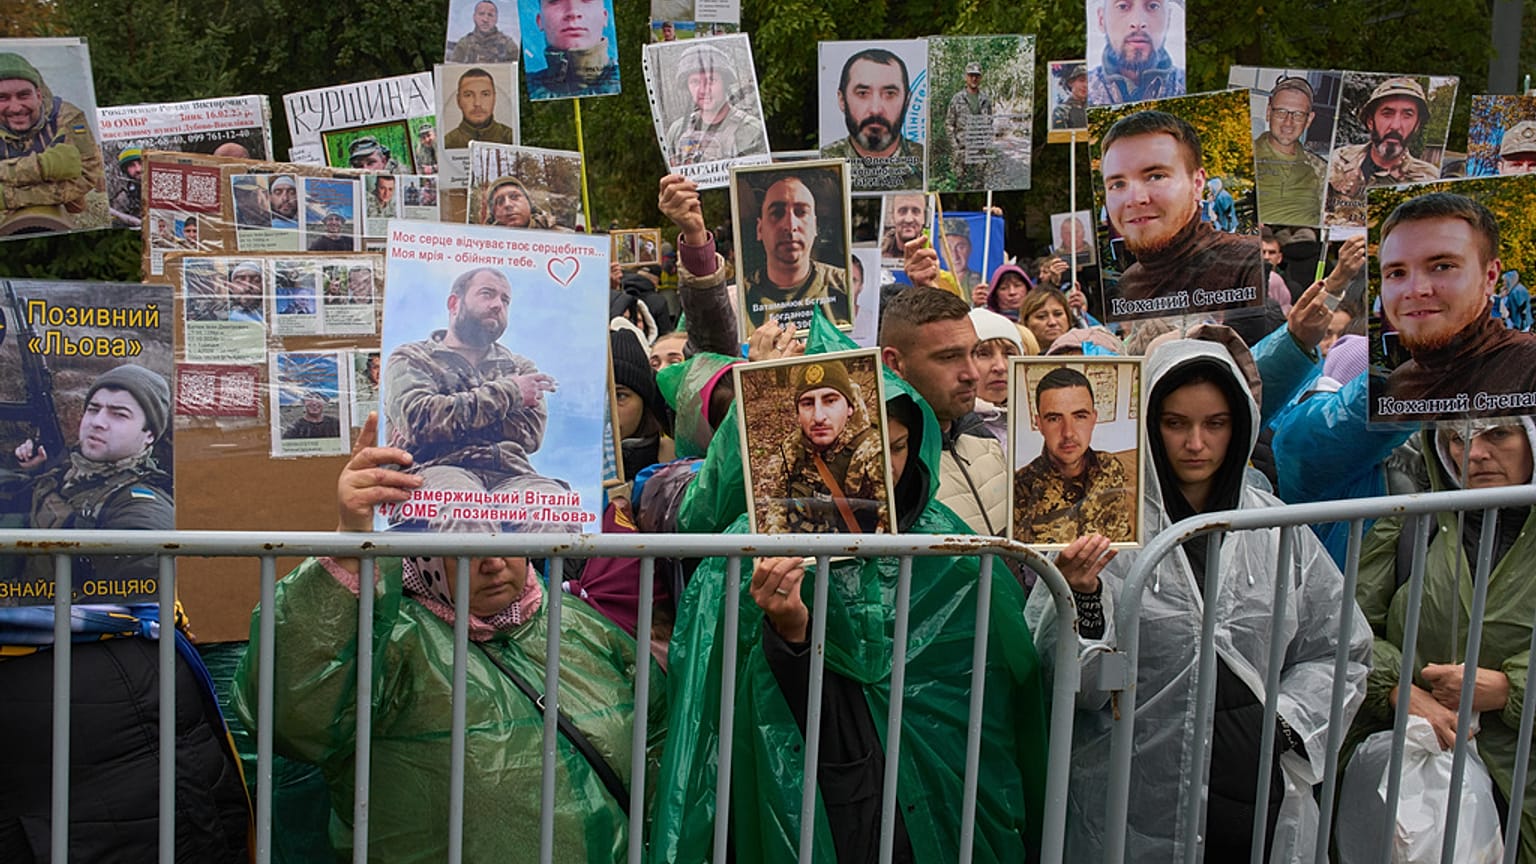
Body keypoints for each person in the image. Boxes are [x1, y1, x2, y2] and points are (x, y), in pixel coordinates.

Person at [653, 324, 1050, 863]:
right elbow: (725, 711)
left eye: (899, 447)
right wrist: (789, 629)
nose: (883, 465)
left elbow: (993, 681)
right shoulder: (748, 544)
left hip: (941, 794)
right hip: (825, 789)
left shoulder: (945, 537)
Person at [232, 412, 662, 862]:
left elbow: (659, 745)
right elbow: (291, 715)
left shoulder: (579, 626)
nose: (494, 560)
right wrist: (350, 544)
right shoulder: (385, 638)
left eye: (509, 534)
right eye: (468, 543)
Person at [1025, 336, 1371, 862]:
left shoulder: (1273, 527)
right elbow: (1074, 684)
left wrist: (1284, 725)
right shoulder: (1102, 529)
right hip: (1132, 795)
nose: (1195, 443)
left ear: (1240, 426)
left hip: (1253, 792)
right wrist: (1081, 595)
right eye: (1175, 423)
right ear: (1148, 425)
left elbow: (1338, 646)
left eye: (1215, 423)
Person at [0, 364, 250, 864]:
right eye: (93, 408)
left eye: (118, 414)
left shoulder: (141, 504)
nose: (97, 421)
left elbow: (139, 578)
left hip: (105, 710)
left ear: (148, 435)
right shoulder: (68, 474)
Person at [1350, 418, 1536, 863]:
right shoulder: (1414, 525)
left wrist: (1513, 689)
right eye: (1457, 437)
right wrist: (1398, 690)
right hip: (1415, 793)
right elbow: (1345, 634)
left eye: (1499, 433)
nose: (1473, 454)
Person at [383, 266, 575, 531]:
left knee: (554, 512)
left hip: (511, 474)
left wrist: (449, 414)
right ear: (454, 303)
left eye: (505, 300)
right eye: (487, 294)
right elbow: (419, 421)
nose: (497, 305)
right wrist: (510, 393)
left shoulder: (519, 367)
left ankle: (537, 576)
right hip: (434, 471)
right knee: (465, 513)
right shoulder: (412, 358)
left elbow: (530, 435)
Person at [1377, 192, 1536, 421]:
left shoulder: (1528, 369)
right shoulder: (1397, 385)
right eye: (1396, 273)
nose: (1415, 289)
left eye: (1442, 267)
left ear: (1490, 277)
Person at [1099, 110, 1263, 319]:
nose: (1135, 199)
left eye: (1155, 176)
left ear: (1197, 184)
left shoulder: (1248, 266)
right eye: (1118, 184)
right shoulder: (1124, 289)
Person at [879, 286, 1009, 537]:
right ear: (895, 363)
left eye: (974, 352)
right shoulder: (885, 467)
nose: (972, 374)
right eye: (949, 357)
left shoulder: (982, 436)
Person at [754, 358, 888, 534]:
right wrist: (775, 546)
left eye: (830, 401)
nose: (818, 417)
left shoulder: (872, 451)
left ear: (850, 408)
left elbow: (892, 521)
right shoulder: (793, 446)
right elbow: (777, 499)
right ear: (798, 413)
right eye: (808, 404)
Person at [1013, 366, 1133, 545]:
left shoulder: (1111, 467)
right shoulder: (1021, 487)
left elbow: (1121, 534)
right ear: (1039, 424)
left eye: (1080, 416)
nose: (1068, 433)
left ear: (1093, 419)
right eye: (1054, 418)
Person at [0, 51, 105, 228]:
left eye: (24, 95)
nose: (16, 108)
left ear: (39, 95)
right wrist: (49, 166)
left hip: (66, 203)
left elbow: (89, 174)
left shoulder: (68, 117)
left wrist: (6, 196)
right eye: (2, 98)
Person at [742, 172, 851, 333]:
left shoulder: (847, 285)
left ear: (815, 227)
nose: (790, 224)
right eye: (777, 213)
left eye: (800, 212)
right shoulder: (739, 299)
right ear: (759, 229)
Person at [1326, 77, 1440, 222]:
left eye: (1407, 115)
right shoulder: (1338, 160)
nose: (1395, 125)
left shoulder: (1429, 179)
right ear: (1370, 122)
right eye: (1387, 113)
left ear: (1417, 125)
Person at [821, 48, 925, 192]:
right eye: (862, 93)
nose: (876, 109)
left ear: (907, 101)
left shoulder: (928, 166)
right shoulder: (823, 167)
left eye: (890, 93)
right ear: (842, 100)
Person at [663, 42, 766, 166]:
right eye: (695, 82)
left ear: (725, 83)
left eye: (711, 80)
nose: (703, 89)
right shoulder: (678, 130)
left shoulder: (752, 130)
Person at [1253, 77, 1327, 227]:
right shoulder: (1245, 159)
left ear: (1309, 120)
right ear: (1268, 113)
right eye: (1281, 112)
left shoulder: (1321, 170)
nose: (1288, 123)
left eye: (1298, 115)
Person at [1086, 0, 1185, 105]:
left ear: (1168, 20)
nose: (1138, 22)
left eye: (1153, 6)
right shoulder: (1085, 92)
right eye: (1123, 6)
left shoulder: (1188, 85)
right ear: (1102, 20)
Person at [526, 0, 619, 99]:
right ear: (539, 21)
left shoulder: (629, 79)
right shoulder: (522, 87)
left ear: (604, 16)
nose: (573, 12)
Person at [968, 307, 1025, 446]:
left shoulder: (1039, 424)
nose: (1000, 367)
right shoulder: (950, 430)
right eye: (983, 353)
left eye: (1009, 354)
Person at [944, 61, 992, 186]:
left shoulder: (985, 100)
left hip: (979, 151)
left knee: (979, 184)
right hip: (962, 150)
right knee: (959, 185)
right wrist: (955, 147)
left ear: (981, 77)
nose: (974, 78)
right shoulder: (957, 98)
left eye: (977, 75)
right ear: (966, 77)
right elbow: (949, 124)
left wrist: (986, 144)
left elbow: (989, 122)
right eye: (971, 75)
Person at [444, 67, 518, 148]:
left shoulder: (510, 138)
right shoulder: (447, 143)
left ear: (494, 98)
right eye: (468, 95)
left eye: (485, 94)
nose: (477, 103)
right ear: (458, 100)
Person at [449, 0, 518, 63]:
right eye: (481, 14)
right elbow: (454, 69)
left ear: (496, 19)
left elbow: (513, 72)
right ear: (474, 17)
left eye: (490, 15)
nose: (485, 19)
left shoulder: (508, 45)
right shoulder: (464, 44)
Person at [482, 174, 558, 228]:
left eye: (514, 197)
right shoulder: (482, 245)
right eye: (500, 201)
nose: (507, 204)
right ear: (494, 214)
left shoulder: (561, 236)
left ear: (529, 203)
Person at [1019, 286, 1075, 353]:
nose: (1052, 322)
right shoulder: (1016, 354)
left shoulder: (1086, 351)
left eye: (1058, 314)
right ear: (1026, 322)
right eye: (1041, 316)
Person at [941, 217, 985, 296]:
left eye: (960, 247)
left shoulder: (981, 283)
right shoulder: (934, 281)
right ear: (941, 251)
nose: (955, 255)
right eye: (948, 248)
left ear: (970, 248)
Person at [879, 192, 925, 263]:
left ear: (924, 217)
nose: (908, 219)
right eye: (902, 211)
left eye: (915, 211)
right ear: (892, 216)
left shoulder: (933, 255)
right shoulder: (878, 255)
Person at [110, 146, 143, 226]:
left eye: (141, 163)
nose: (138, 169)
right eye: (132, 165)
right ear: (126, 170)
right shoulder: (123, 197)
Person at [1052, 63, 1088, 129]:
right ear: (1071, 83)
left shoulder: (1092, 107)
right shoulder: (1062, 111)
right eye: (1081, 80)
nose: (1085, 85)